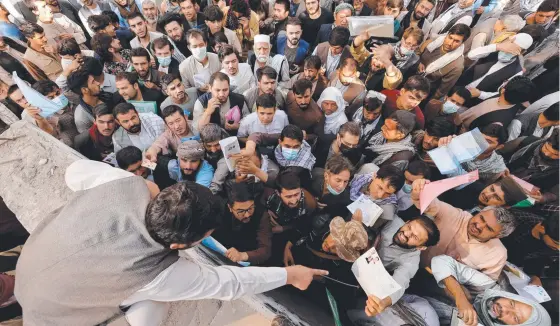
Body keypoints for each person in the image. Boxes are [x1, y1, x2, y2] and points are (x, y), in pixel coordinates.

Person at [15, 160, 327, 325]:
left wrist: (139, 184)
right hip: (50, 318)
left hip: (28, 265)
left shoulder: (124, 183)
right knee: (155, 303)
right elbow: (229, 283)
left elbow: (74, 172)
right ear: (180, 245)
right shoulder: (156, 274)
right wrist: (290, 275)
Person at [410, 178, 516, 280]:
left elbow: (483, 284)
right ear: (480, 212)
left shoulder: (497, 254)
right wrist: (421, 189)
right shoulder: (455, 215)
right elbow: (431, 203)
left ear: (498, 236)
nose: (479, 226)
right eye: (481, 218)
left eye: (488, 228)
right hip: (412, 265)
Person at [351, 215, 441, 323]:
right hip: (356, 248)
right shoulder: (393, 220)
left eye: (415, 237)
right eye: (409, 227)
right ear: (407, 221)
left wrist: (383, 303)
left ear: (421, 247)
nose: (406, 233)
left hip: (363, 275)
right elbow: (362, 217)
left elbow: (399, 285)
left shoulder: (411, 262)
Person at [427, 255, 551, 326]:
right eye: (512, 303)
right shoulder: (490, 288)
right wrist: (460, 297)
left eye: (515, 318)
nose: (505, 309)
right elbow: (441, 260)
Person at [212, 182, 273, 265]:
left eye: (250, 208)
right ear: (230, 207)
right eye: (241, 211)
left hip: (247, 258)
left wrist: (242, 256)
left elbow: (265, 250)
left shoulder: (261, 214)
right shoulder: (218, 209)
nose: (247, 215)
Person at [351, 28, 422, 93]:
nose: (409, 48)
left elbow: (393, 83)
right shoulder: (387, 47)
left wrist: (387, 62)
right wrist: (360, 38)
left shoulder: (412, 61)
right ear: (403, 39)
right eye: (408, 43)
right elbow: (359, 52)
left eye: (414, 46)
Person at [462, 33, 534, 93]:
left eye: (514, 50)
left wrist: (480, 94)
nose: (509, 50)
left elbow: (501, 92)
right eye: (510, 46)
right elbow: (471, 55)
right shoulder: (493, 49)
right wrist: (497, 47)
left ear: (522, 52)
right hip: (460, 86)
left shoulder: (517, 71)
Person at [457, 76, 536, 131]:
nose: (505, 82)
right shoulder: (514, 99)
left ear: (503, 90)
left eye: (506, 82)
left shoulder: (498, 122)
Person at [417, 23, 471, 100]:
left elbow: (441, 91)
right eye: (450, 38)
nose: (450, 43)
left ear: (462, 43)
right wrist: (418, 62)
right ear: (447, 34)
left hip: (423, 92)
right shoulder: (435, 41)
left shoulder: (457, 66)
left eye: (456, 41)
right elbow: (417, 52)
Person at [264, 170, 317, 243]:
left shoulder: (310, 204)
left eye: (296, 194)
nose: (294, 201)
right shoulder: (269, 193)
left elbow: (303, 224)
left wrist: (283, 228)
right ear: (278, 193)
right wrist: (265, 211)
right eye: (288, 196)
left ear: (301, 189)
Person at [349, 164, 405, 228]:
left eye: (388, 193)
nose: (380, 195)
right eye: (380, 188)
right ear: (374, 176)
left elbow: (368, 230)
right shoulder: (367, 169)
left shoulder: (387, 211)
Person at [508, 129, 559, 196]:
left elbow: (554, 194)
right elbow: (497, 154)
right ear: (545, 142)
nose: (547, 154)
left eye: (555, 154)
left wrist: (542, 198)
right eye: (546, 148)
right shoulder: (526, 141)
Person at [443, 176, 528, 212]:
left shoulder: (492, 219)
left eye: (497, 197)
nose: (487, 195)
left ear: (504, 206)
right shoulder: (468, 186)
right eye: (491, 189)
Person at [285, 79, 325, 144]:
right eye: (299, 97)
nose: (303, 101)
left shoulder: (318, 116)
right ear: (294, 94)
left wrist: (307, 136)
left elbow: (318, 136)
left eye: (306, 97)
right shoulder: (289, 96)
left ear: (311, 93)